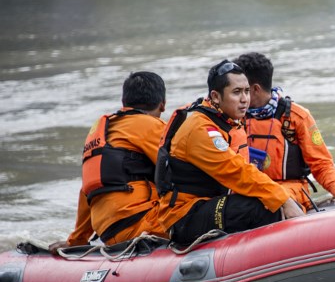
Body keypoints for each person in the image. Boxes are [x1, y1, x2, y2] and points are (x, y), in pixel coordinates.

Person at [155, 60, 304, 245]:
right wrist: (283, 199)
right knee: (258, 208)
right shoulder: (200, 128)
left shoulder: (229, 120)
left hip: (210, 202)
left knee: (269, 201)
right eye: (236, 92)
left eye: (247, 91)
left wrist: (283, 198)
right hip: (185, 215)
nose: (245, 99)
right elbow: (237, 172)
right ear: (216, 97)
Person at [49, 71, 169, 253]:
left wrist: (77, 240)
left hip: (108, 232)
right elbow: (187, 167)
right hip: (142, 224)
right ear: (162, 104)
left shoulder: (100, 135)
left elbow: (87, 190)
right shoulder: (153, 126)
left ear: (124, 102)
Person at [233, 52, 335, 211]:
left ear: (255, 89)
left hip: (290, 189)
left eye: (241, 90)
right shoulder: (233, 116)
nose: (238, 97)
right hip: (250, 189)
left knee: (266, 204)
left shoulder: (296, 116)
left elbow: (321, 164)